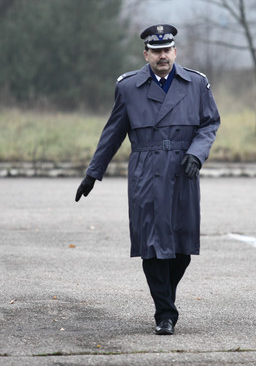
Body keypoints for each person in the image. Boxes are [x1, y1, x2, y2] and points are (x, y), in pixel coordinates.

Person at [75, 23, 220, 335]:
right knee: (152, 246)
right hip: (146, 171)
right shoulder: (129, 87)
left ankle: (165, 296)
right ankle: (164, 313)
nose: (162, 55)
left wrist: (197, 153)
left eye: (167, 49)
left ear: (175, 51)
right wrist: (93, 173)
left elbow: (210, 123)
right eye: (156, 51)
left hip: (184, 171)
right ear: (146, 54)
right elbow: (113, 133)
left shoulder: (196, 84)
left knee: (181, 249)